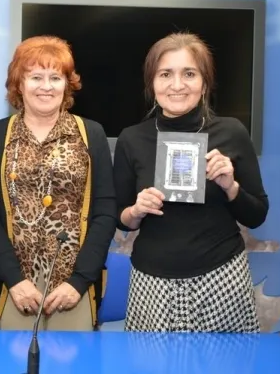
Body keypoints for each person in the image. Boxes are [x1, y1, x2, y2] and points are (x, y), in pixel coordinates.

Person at [113, 32, 268, 332]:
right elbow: (122, 219)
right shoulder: (131, 139)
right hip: (151, 283)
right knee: (149, 359)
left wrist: (230, 186)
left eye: (189, 74)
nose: (177, 85)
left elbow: (257, 214)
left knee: (225, 359)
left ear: (204, 83)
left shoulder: (232, 132)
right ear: (152, 83)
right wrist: (136, 210)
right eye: (165, 74)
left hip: (223, 279)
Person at [0, 35, 116, 331]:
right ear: (19, 84)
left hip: (73, 288)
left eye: (55, 77)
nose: (46, 86)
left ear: (67, 84)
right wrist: (15, 280)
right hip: (16, 288)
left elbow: (105, 212)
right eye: (36, 77)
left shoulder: (91, 134)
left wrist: (79, 281)